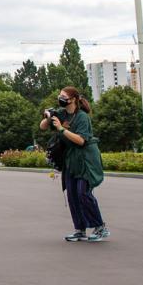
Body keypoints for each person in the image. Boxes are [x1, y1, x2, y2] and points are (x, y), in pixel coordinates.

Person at [40, 86, 107, 242]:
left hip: (85, 159)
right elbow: (42, 127)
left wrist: (61, 129)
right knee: (72, 194)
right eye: (60, 95)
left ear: (74, 99)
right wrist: (49, 117)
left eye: (64, 96)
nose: (60, 98)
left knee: (83, 193)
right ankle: (80, 229)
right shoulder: (62, 114)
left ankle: (100, 227)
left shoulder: (82, 117)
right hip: (70, 159)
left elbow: (81, 140)